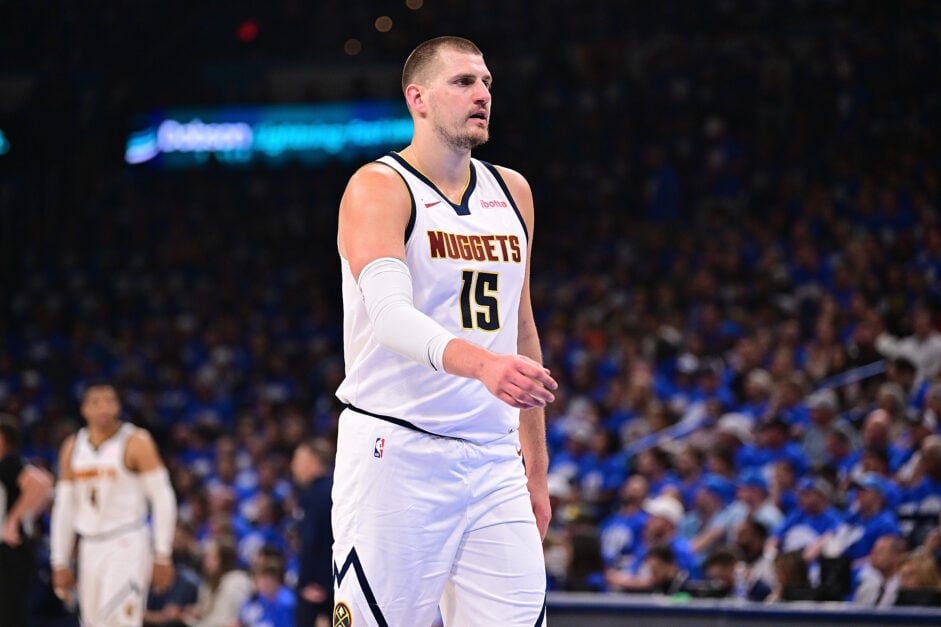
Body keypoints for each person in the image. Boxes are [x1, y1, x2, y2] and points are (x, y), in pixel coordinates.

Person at [332, 36, 557, 626]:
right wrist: (483, 365)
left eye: (486, 83)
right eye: (462, 82)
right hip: (397, 451)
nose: (481, 94)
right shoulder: (378, 187)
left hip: (492, 461)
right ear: (419, 98)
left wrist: (535, 469)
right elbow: (389, 318)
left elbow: (520, 329)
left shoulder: (513, 191)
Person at [49, 382, 178, 626]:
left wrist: (163, 553)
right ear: (84, 409)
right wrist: (60, 560)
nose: (103, 408)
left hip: (127, 541)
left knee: (120, 620)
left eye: (110, 401)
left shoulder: (136, 441)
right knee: (92, 622)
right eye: (96, 402)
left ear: (118, 407)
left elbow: (163, 497)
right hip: (89, 545)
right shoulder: (72, 447)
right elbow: (63, 508)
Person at [0, 413, 54, 625]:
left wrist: (14, 520)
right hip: (11, 551)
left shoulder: (9, 463)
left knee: (10, 614)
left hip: (10, 552)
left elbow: (42, 483)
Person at [290, 438, 334, 627]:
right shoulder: (336, 488)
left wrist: (314, 581)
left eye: (298, 460)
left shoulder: (316, 496)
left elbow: (312, 543)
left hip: (318, 590)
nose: (293, 467)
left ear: (313, 462)